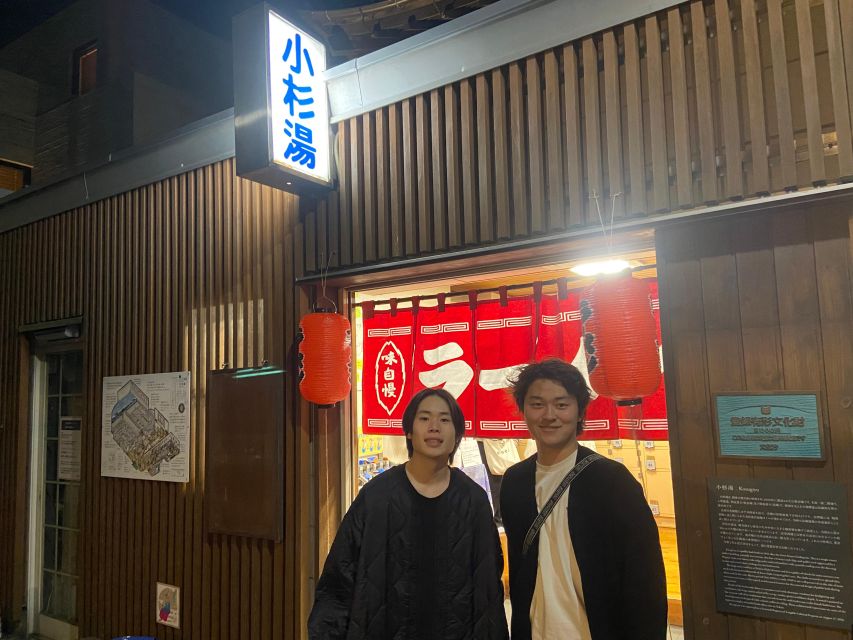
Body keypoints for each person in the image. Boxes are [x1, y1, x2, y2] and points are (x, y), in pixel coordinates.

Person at [308, 387, 509, 639]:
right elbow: (340, 576)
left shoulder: (473, 500)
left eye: (445, 419)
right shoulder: (377, 496)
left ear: (457, 434)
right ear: (409, 432)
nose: (434, 426)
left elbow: (488, 589)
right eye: (424, 418)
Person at [500, 359, 667, 640]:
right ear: (523, 410)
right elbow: (519, 570)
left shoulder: (612, 480)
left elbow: (645, 580)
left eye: (562, 404)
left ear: (579, 412)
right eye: (537, 404)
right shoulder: (515, 481)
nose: (549, 415)